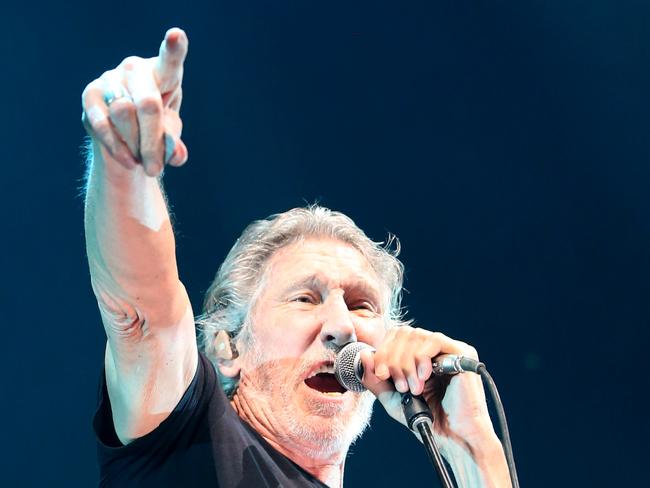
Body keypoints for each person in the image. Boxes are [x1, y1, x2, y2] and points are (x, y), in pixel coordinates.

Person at [81, 28, 512, 487]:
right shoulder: (193, 440)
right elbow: (142, 317)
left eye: (362, 305)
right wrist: (124, 161)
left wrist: (475, 454)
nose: (343, 327)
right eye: (305, 298)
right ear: (228, 347)